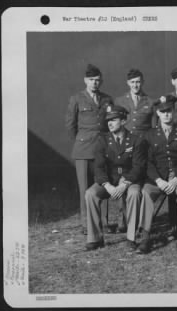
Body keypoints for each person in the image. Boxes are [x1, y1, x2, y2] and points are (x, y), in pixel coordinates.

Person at [84, 106, 147, 251]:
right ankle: (95, 238)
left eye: (114, 120)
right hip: (110, 181)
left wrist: (124, 184)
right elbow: (98, 167)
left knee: (134, 193)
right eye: (108, 121)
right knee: (90, 194)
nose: (110, 123)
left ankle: (131, 237)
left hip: (130, 180)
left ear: (124, 121)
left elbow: (139, 167)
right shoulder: (103, 140)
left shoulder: (136, 140)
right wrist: (107, 185)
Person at [138, 95, 177, 254]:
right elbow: (147, 162)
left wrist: (176, 178)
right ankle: (145, 238)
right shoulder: (149, 135)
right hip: (158, 179)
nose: (166, 114)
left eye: (169, 111)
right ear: (158, 114)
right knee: (146, 193)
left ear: (174, 111)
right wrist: (158, 180)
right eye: (163, 112)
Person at [65, 64, 114, 235]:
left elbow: (111, 123)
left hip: (103, 150)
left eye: (98, 80)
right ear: (86, 80)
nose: (95, 83)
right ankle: (87, 224)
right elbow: (71, 126)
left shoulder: (107, 99)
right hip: (84, 150)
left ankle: (104, 222)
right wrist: (80, 142)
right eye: (92, 80)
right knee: (85, 189)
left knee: (103, 185)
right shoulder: (77, 98)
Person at [115, 69, 156, 137]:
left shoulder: (150, 102)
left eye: (138, 82)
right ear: (128, 83)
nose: (135, 85)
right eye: (132, 82)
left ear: (142, 82)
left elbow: (153, 127)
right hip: (125, 139)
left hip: (143, 140)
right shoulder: (119, 101)